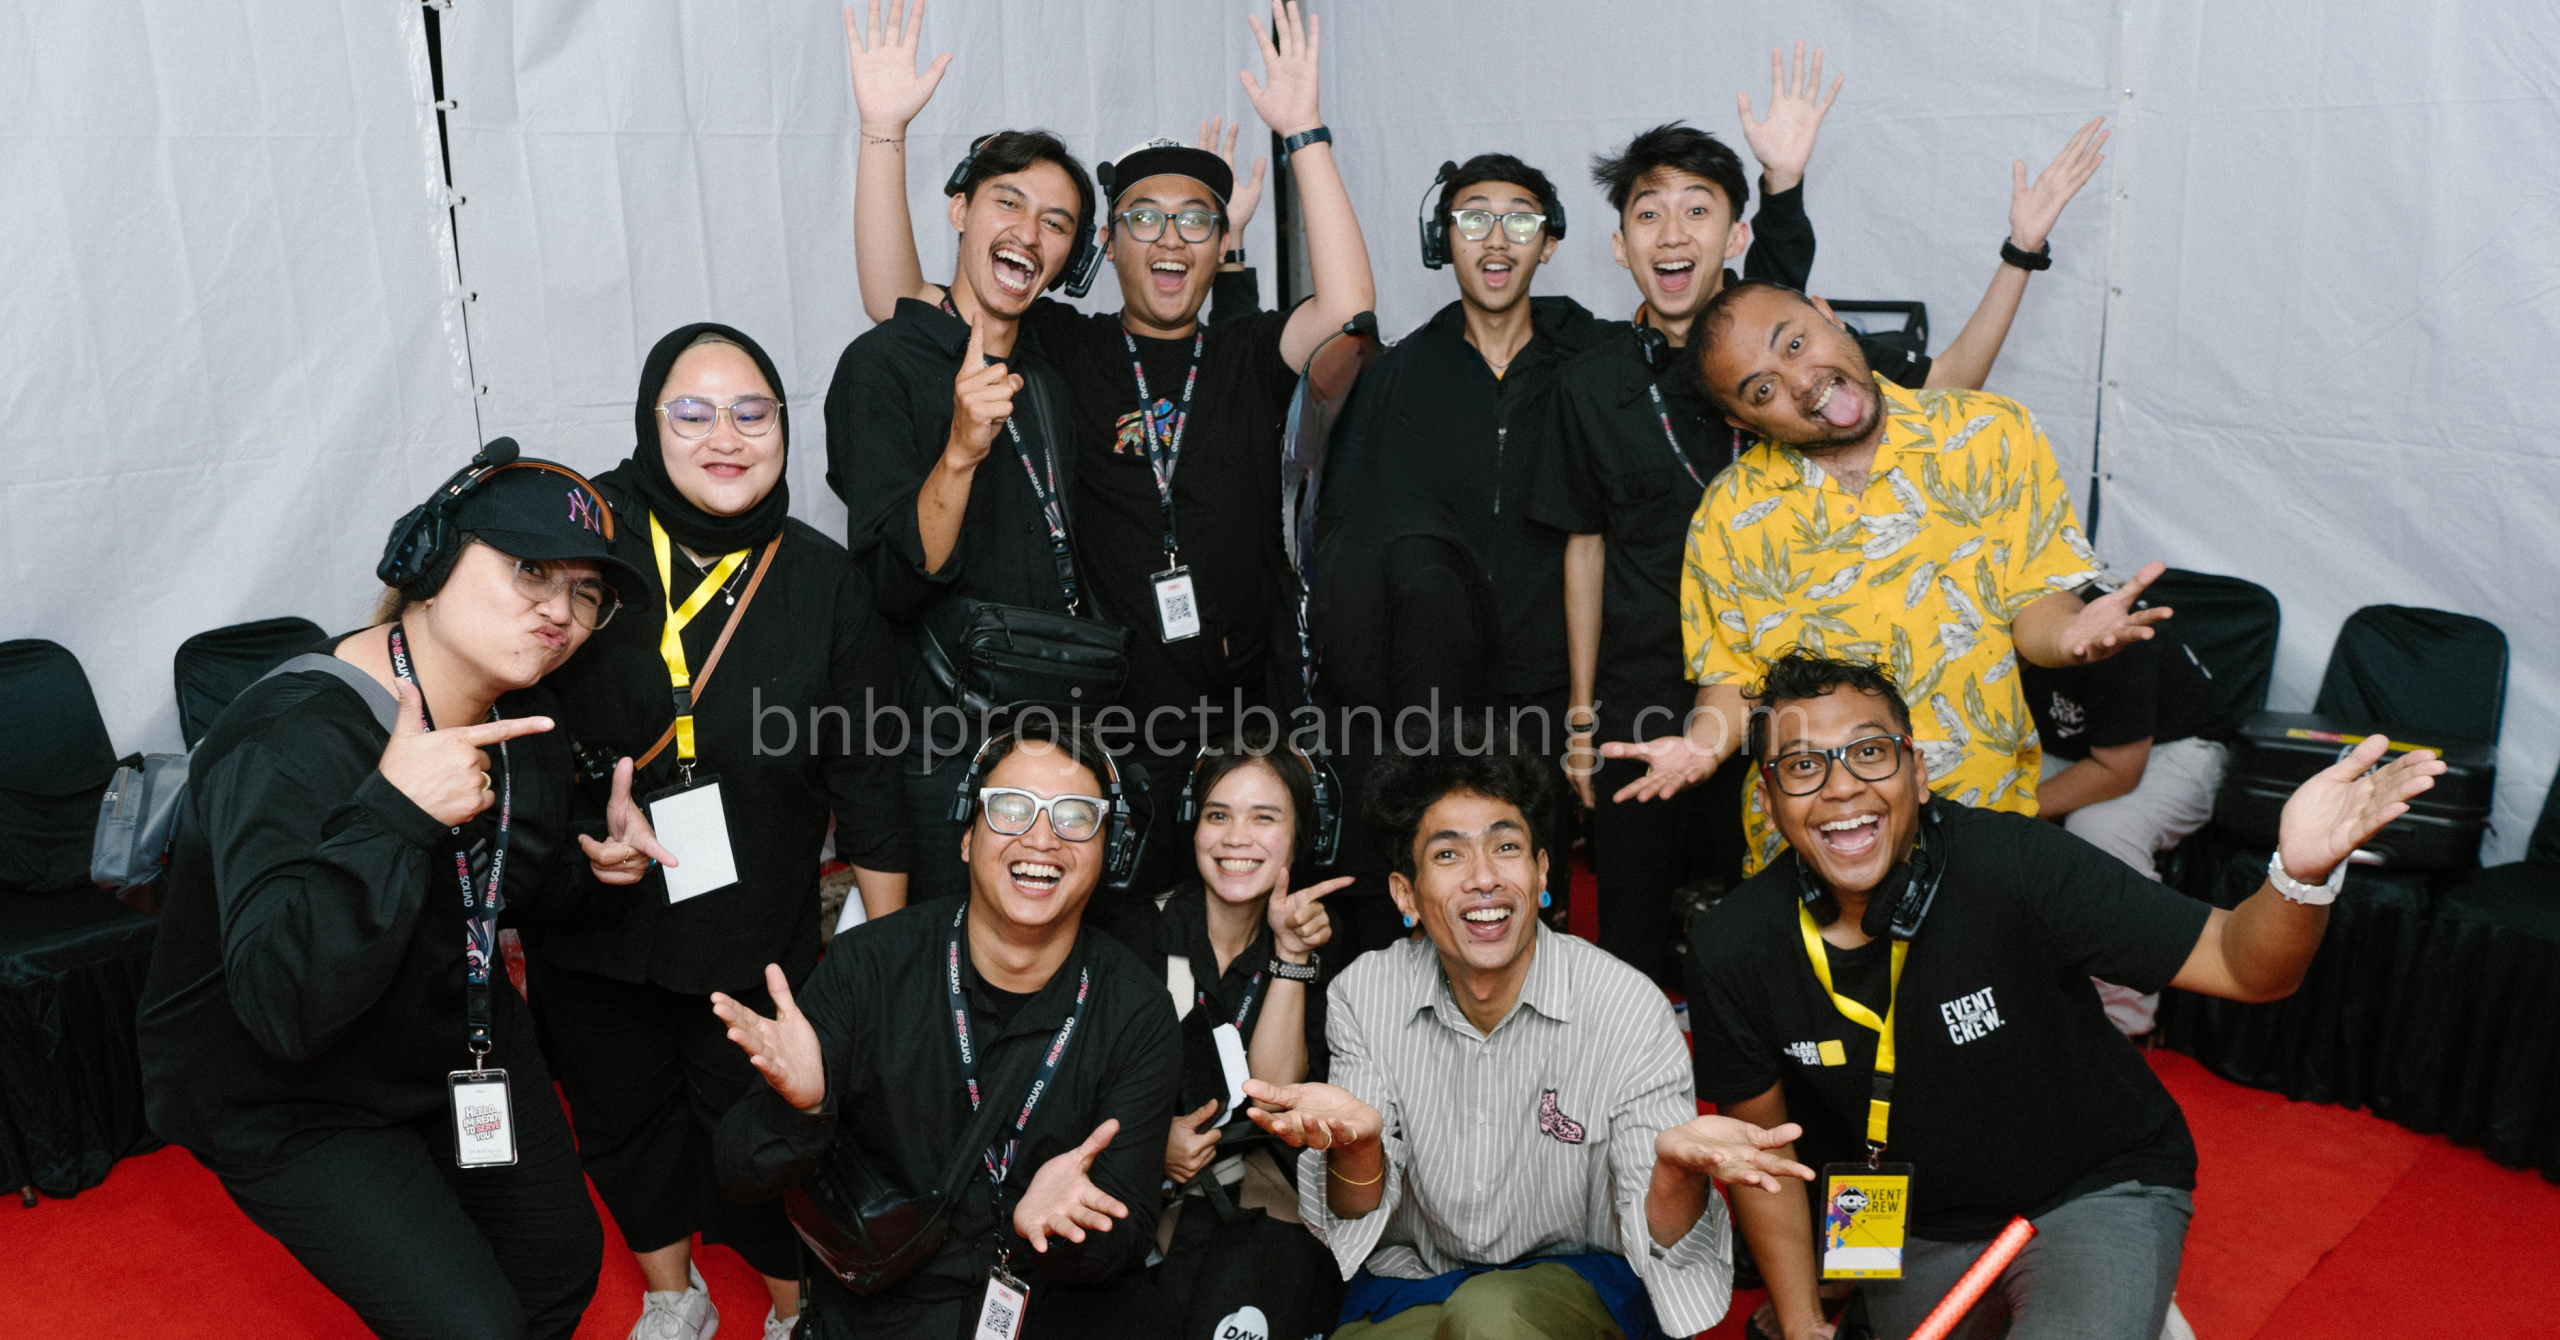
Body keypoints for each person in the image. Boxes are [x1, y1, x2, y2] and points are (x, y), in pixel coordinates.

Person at [1543, 64, 2111, 981]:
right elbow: (1586, 547)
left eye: (1698, 211)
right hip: (1689, 697)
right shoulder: (1614, 401)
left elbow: (1941, 392)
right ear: (1618, 244)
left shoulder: (1819, 362)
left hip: (1867, 734)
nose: (1796, 383)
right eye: (1649, 214)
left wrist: (2016, 252)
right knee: (1680, 931)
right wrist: (1587, 714)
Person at [1685, 652, 2442, 1340]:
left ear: (1916, 772)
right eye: (1803, 766)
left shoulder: (2017, 863)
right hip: (1910, 1218)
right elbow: (1764, 1157)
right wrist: (1801, 1324)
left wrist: (2299, 877)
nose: (1842, 785)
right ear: (1769, 800)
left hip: (2088, 1187)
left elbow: (2245, 968)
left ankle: (2118, 1292)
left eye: (1870, 752)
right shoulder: (1733, 947)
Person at [850, 0, 1377, 915]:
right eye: (1143, 218)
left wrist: (1304, 134)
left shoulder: (1249, 353)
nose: (1170, 238)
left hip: (1238, 719)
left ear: (1222, 244)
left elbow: (1348, 308)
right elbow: (896, 300)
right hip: (1105, 718)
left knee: (1235, 936)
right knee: (1123, 940)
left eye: (1196, 221)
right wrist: (883, 133)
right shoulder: (1062, 346)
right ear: (1104, 243)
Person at [136, 450, 669, 1340]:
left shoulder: (523, 725)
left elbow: (498, 894)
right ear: (428, 564)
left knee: (558, 1264)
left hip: (451, 1037)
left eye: (585, 593)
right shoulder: (288, 738)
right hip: (293, 1092)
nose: (559, 610)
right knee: (469, 1324)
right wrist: (395, 813)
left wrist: (597, 868)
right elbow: (282, 1005)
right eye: (530, 570)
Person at [531, 323, 913, 1340]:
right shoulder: (585, 549)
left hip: (751, 925)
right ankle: (673, 1295)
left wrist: (885, 957)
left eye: (752, 413)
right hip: (595, 909)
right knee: (620, 1118)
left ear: (784, 426)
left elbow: (870, 777)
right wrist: (567, 842)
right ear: (649, 423)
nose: (726, 438)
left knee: (763, 1131)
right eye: (692, 414)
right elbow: (512, 706)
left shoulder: (824, 583)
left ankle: (795, 1311)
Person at [1242, 723, 1819, 1339]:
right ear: (1405, 894)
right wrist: (1356, 1148)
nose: (1483, 877)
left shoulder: (1624, 1005)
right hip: (1414, 1282)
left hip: (1581, 1283)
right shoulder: (1366, 995)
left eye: (1506, 847)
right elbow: (1354, 1211)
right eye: (1448, 854)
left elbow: (1662, 1241)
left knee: (1492, 1316)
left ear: (1543, 874)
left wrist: (1677, 1175)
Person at [1604, 275, 2166, 878]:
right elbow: (1734, 677)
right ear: (1741, 419)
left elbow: (2035, 610)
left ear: (1827, 314)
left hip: (1979, 815)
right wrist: (1703, 745)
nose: (1801, 382)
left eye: (1795, 344)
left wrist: (2071, 636)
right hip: (1817, 839)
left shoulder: (1990, 432)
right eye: (1763, 389)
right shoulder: (1730, 512)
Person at [711, 720, 1181, 1339]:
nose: (1042, 838)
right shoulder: (869, 968)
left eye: (1074, 816)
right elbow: (739, 1174)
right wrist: (803, 1110)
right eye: (1011, 808)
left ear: (1107, 852)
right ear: (966, 837)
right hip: (885, 1309)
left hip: (1051, 1306)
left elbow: (1128, 1233)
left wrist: (1063, 1231)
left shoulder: (1137, 1013)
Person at [824, 114, 1101, 904]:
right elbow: (894, 583)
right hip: (938, 752)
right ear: (959, 211)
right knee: (940, 964)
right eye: (1008, 203)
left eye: (1056, 223)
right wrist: (960, 450)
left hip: (1060, 744)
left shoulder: (1055, 365)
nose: (1029, 233)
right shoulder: (883, 365)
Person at [1097, 742, 1351, 1336]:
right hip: (1133, 1195)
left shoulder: (1318, 941)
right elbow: (1081, 1089)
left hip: (1256, 1201)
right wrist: (1150, 1143)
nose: (1237, 837)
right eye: (1218, 815)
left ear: (1300, 838)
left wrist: (1290, 956)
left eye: (1264, 817)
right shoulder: (1134, 934)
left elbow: (1274, 1096)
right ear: (1194, 827)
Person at [2024, 629, 2231, 1036]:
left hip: (2173, 747)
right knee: (1965, 795)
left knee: (2101, 830)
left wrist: (2011, 808)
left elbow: (2118, 773)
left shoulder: (2111, 631)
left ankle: (2121, 1024)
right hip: (2064, 747)